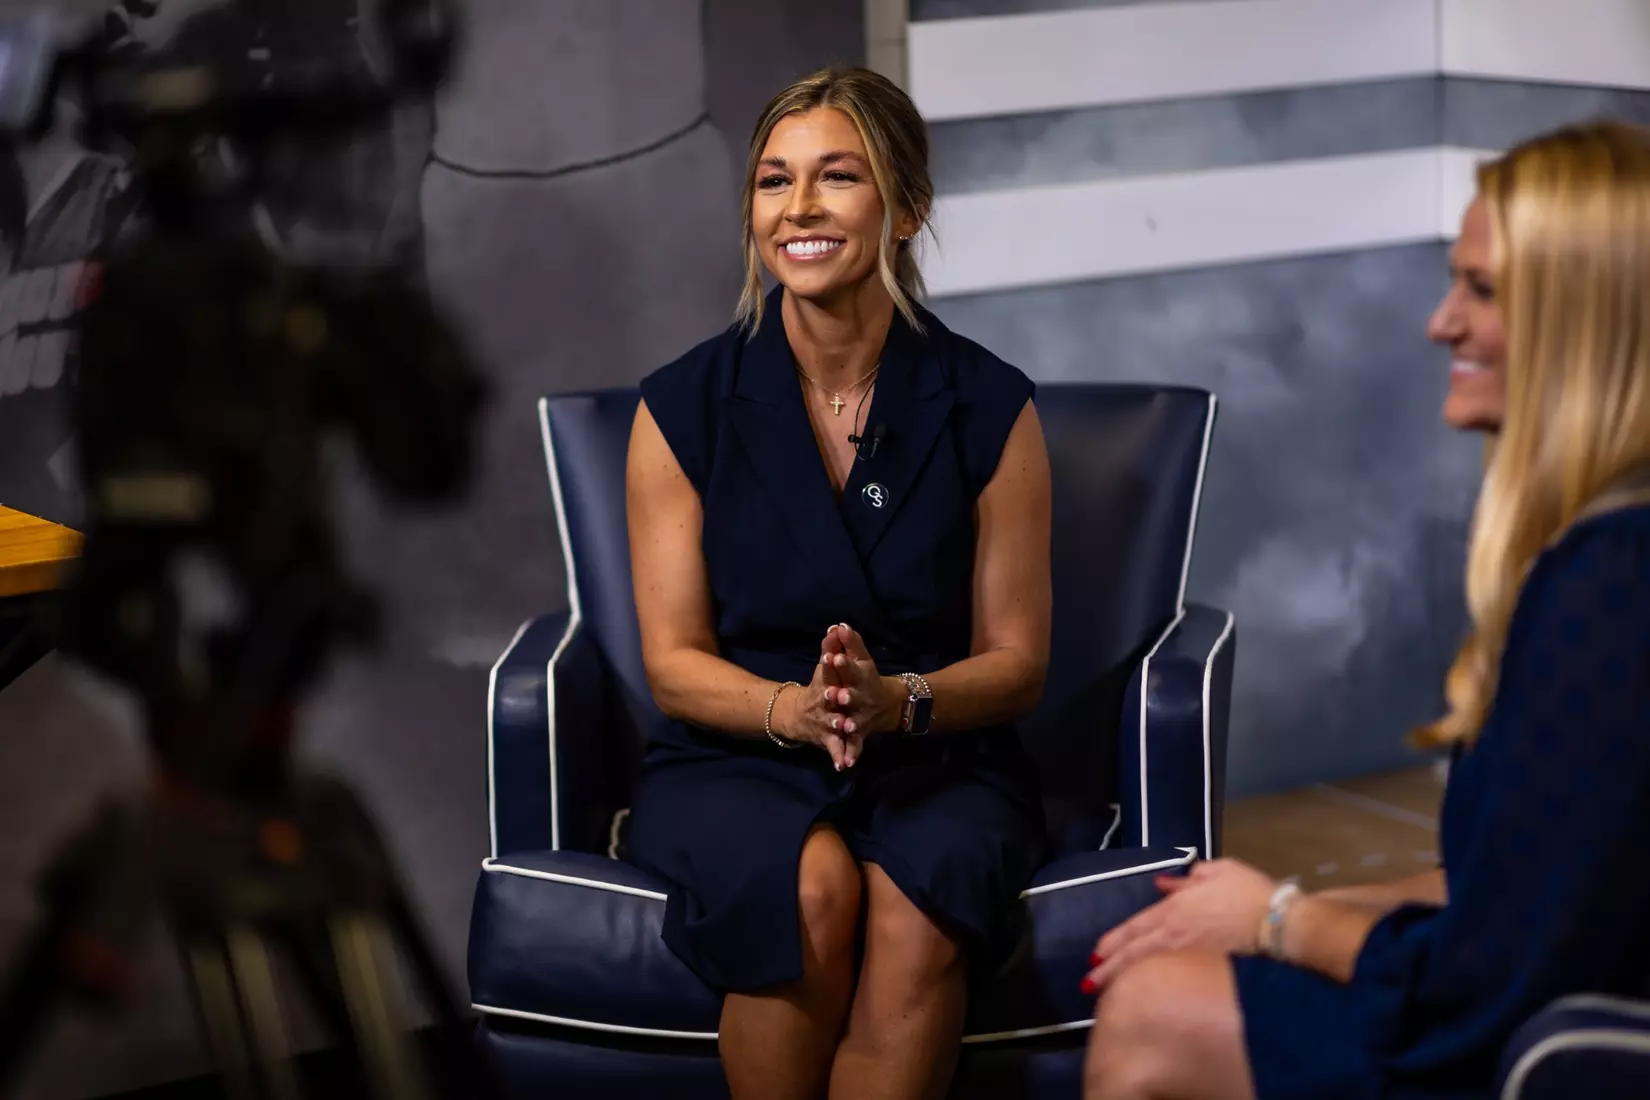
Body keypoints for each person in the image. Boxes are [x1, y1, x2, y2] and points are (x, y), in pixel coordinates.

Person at [1078, 119, 1650, 1100]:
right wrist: (1294, 900)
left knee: (1151, 1009)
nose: (1441, 322)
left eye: (1481, 290)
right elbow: (1531, 888)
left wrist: (1282, 920)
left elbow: (1492, 974)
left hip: (1559, 1046)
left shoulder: (1610, 587)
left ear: (1579, 317)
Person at [622, 66, 1053, 1100]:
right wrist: (797, 710)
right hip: (736, 744)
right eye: (774, 181)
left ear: (907, 208)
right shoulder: (680, 408)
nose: (799, 207)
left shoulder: (992, 406)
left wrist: (896, 701)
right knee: (806, 887)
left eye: (837, 176)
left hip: (936, 747)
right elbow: (673, 660)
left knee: (914, 900)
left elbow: (1017, 660)